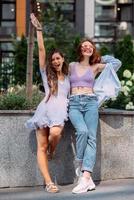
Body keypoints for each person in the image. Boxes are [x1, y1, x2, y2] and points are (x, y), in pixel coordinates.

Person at [69, 38, 121, 194]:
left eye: (90, 46)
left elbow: (117, 63)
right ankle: (80, 165)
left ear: (93, 50)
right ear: (80, 49)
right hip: (74, 104)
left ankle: (85, 177)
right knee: (82, 131)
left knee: (91, 138)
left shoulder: (96, 66)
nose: (87, 48)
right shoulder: (72, 65)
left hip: (91, 102)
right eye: (84, 46)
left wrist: (101, 57)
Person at [25, 13, 70, 193]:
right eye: (53, 60)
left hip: (59, 112)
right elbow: (42, 50)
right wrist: (39, 30)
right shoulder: (47, 74)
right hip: (44, 111)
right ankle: (49, 182)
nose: (55, 61)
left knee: (55, 134)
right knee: (41, 147)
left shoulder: (68, 77)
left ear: (63, 59)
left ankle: (52, 151)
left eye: (58, 58)